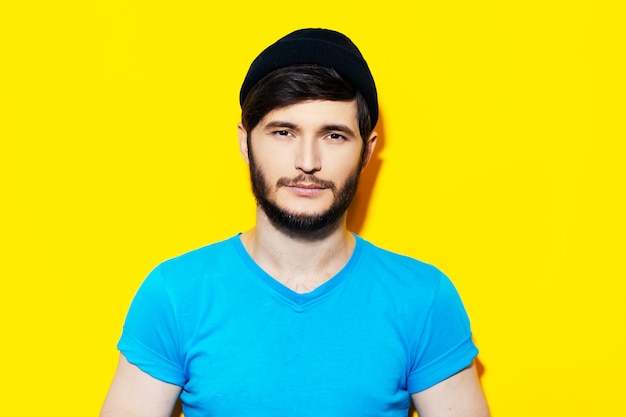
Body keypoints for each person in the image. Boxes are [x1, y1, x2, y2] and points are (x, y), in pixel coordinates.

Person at [100, 28, 490, 417]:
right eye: (283, 132)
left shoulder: (422, 299)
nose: (308, 161)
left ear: (366, 151)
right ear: (244, 142)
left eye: (334, 135)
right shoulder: (175, 294)